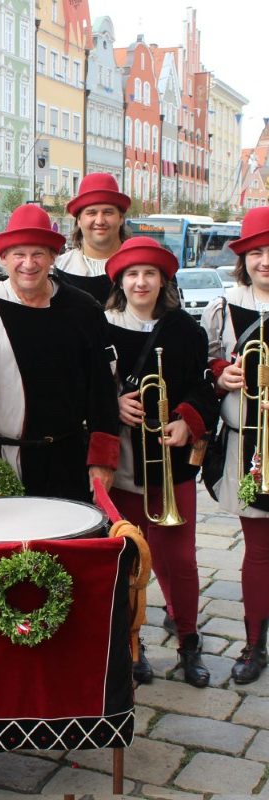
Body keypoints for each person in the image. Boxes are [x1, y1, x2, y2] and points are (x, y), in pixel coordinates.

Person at [105, 237, 216, 688]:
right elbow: (87, 386)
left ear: (164, 281)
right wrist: (113, 404)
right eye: (132, 274)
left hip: (170, 466)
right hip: (121, 463)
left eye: (149, 273)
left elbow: (203, 387)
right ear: (120, 281)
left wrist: (188, 420)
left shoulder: (186, 330)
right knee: (128, 560)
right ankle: (133, 646)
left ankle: (188, 641)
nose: (140, 281)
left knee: (180, 561)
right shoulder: (101, 326)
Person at [0, 204, 120, 502]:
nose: (28, 263)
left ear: (52, 257)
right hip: (0, 461)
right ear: (3, 258)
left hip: (67, 460)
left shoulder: (83, 308)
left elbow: (102, 389)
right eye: (19, 255)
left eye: (38, 254)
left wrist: (102, 459)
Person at [201, 206, 269, 684]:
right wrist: (220, 377)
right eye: (257, 252)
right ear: (242, 259)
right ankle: (254, 642)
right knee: (260, 550)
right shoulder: (220, 309)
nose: (265, 261)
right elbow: (204, 371)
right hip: (248, 445)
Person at [54, 173, 131, 304]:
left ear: (121, 218)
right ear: (79, 220)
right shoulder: (60, 268)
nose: (100, 221)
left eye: (108, 212)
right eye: (91, 213)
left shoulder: (144, 266)